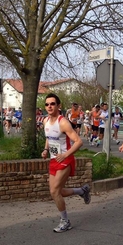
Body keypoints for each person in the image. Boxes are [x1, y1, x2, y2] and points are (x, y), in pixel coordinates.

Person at [41, 93, 91, 233]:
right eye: (47, 104)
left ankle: (65, 221)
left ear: (58, 106)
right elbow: (49, 138)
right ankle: (82, 190)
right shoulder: (46, 121)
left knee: (54, 191)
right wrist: (46, 150)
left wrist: (65, 155)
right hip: (53, 160)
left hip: (65, 159)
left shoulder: (63, 122)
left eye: (52, 104)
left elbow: (78, 142)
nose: (49, 106)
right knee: (57, 192)